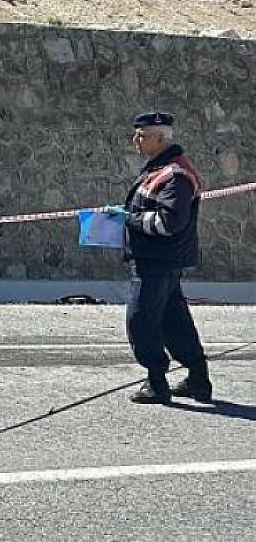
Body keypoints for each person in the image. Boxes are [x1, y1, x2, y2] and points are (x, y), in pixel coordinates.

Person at [117, 111, 214, 404]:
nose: (136, 139)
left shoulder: (175, 176)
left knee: (141, 321)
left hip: (156, 262)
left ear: (161, 138)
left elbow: (169, 223)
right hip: (159, 261)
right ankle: (198, 379)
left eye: (142, 135)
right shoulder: (160, 169)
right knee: (175, 323)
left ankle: (156, 383)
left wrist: (128, 219)